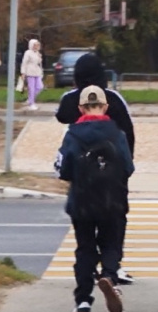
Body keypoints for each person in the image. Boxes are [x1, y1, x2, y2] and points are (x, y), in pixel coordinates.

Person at [56, 53, 137, 284]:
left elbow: (61, 116)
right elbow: (129, 131)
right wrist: (126, 166)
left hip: (82, 175)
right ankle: (112, 268)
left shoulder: (71, 99)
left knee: (85, 229)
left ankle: (86, 274)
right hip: (114, 174)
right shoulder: (113, 99)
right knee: (115, 222)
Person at [20, 39, 44, 110]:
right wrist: (23, 72)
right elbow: (24, 63)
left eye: (37, 45)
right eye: (35, 45)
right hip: (30, 72)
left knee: (40, 86)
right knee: (31, 88)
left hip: (37, 72)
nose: (36, 46)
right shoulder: (28, 52)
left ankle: (30, 99)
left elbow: (39, 62)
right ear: (31, 45)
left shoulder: (37, 53)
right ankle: (31, 103)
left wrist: (40, 57)